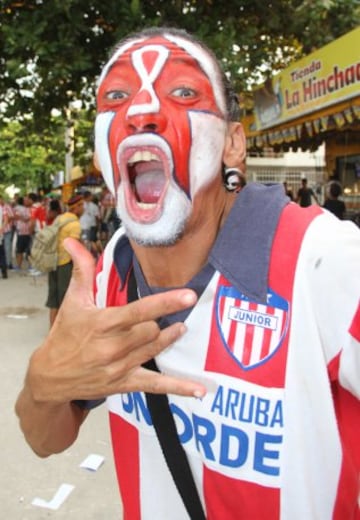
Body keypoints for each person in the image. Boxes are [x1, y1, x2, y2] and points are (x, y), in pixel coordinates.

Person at [15, 27, 360, 519]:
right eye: (117, 95)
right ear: (99, 154)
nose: (140, 111)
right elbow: (42, 438)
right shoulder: (114, 266)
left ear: (233, 144)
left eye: (183, 92)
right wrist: (45, 383)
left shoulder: (322, 259)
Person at [45, 194, 84, 327]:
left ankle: (52, 329)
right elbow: (75, 249)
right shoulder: (74, 224)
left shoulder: (59, 218)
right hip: (65, 264)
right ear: (76, 207)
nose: (83, 208)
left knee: (53, 298)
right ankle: (63, 332)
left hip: (52, 261)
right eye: (82, 205)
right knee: (65, 299)